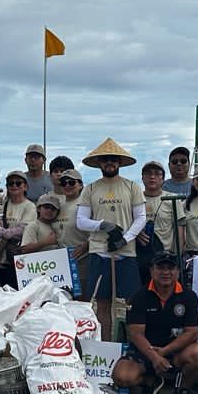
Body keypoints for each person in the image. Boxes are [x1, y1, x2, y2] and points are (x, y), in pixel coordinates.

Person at [112, 250, 198, 394]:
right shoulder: (139, 296)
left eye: (170, 268)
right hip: (145, 351)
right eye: (160, 268)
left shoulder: (189, 296)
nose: (166, 272)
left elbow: (192, 332)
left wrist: (163, 351)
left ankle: (182, 392)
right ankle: (150, 381)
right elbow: (136, 334)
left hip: (175, 351)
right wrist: (154, 356)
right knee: (122, 377)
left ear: (177, 271)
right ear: (151, 270)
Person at [76, 139, 147, 333]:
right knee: (102, 303)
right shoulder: (90, 188)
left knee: (131, 303)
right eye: (105, 159)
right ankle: (106, 345)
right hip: (99, 251)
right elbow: (81, 221)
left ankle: (132, 344)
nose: (109, 162)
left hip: (126, 252)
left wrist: (125, 238)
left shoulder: (132, 187)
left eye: (113, 159)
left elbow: (141, 218)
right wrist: (103, 225)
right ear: (99, 162)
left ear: (119, 162)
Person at [0, 171, 35, 287]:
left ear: (25, 186)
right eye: (11, 183)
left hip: (15, 261)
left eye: (18, 183)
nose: (14, 186)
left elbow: (23, 230)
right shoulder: (0, 202)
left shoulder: (30, 206)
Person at [136, 160, 174, 284]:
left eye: (157, 173)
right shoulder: (134, 199)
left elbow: (179, 228)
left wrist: (176, 255)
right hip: (140, 257)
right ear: (142, 177)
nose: (152, 177)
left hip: (165, 257)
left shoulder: (172, 199)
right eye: (148, 173)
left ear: (163, 178)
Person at [55, 168, 89, 288]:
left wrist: (86, 246)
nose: (67, 185)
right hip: (61, 261)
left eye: (72, 182)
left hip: (82, 260)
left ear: (80, 185)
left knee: (81, 302)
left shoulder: (86, 204)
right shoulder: (57, 204)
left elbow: (99, 230)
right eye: (64, 183)